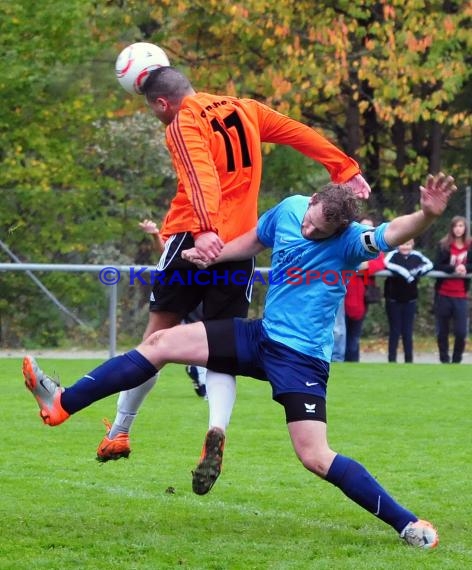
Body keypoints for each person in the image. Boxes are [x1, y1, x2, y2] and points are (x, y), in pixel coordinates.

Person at [23, 172, 457, 549]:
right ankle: (61, 404)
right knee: (159, 343)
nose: (307, 230)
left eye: (318, 230)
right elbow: (255, 239)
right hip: (259, 335)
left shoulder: (349, 242)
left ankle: (407, 523)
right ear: (310, 202)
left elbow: (392, 232)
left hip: (301, 361)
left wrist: (428, 216)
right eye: (309, 219)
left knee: (315, 456)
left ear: (339, 229)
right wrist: (212, 254)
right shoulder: (290, 209)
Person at [97, 64, 372, 462]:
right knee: (220, 347)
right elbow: (298, 132)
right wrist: (343, 166)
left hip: (194, 239)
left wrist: (205, 227)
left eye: (153, 109)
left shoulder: (183, 122)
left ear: (162, 102)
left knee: (154, 340)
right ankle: (217, 427)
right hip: (241, 246)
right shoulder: (246, 109)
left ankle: (120, 431)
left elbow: (202, 176)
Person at [383, 239, 433, 362]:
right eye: (402, 244)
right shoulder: (392, 255)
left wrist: (417, 272)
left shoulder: (417, 256)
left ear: (412, 244)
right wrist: (405, 273)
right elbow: (386, 263)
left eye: (408, 244)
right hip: (393, 299)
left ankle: (409, 360)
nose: (405, 247)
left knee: (407, 331)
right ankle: (392, 360)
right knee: (395, 331)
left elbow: (430, 265)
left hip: (410, 300)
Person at [344, 217, 385, 361]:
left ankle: (352, 361)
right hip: (343, 293)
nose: (367, 229)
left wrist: (364, 265)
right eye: (364, 226)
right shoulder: (348, 243)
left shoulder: (376, 247)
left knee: (354, 335)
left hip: (362, 295)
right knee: (340, 332)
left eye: (370, 227)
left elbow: (378, 264)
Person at [433, 215, 472, 363]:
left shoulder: (470, 245)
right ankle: (444, 360)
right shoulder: (444, 245)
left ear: (465, 228)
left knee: (461, 332)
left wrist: (465, 268)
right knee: (442, 331)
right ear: (451, 228)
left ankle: (456, 360)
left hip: (461, 295)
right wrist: (453, 268)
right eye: (456, 226)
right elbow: (436, 265)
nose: (458, 229)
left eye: (461, 226)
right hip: (443, 294)